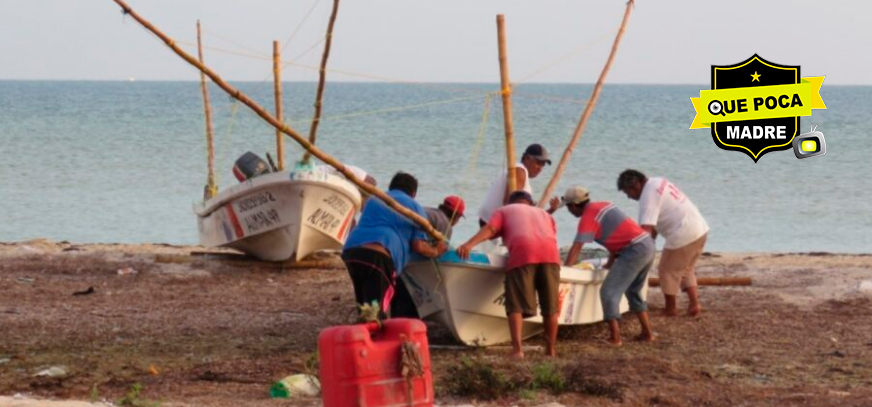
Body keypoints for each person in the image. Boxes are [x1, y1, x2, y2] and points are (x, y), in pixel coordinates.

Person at [457, 191, 561, 358]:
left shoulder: (504, 210)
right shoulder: (543, 213)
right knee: (550, 308)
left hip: (524, 253)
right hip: (551, 255)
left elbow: (491, 229)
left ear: (510, 202)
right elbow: (550, 235)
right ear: (530, 203)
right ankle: (550, 351)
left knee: (516, 306)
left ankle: (518, 350)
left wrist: (469, 244)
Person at [341, 172, 448, 319]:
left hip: (351, 251)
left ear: (391, 187)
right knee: (377, 311)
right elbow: (418, 246)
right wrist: (436, 250)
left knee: (365, 305)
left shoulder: (374, 199)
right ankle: (374, 337)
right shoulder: (415, 208)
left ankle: (363, 335)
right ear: (413, 193)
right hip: (379, 255)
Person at [558, 186, 655, 346]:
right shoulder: (604, 205)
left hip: (634, 250)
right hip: (648, 244)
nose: (570, 212)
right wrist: (610, 264)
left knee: (608, 292)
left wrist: (567, 271)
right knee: (633, 291)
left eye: (569, 208)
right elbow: (616, 236)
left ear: (574, 205)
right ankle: (647, 333)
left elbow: (577, 247)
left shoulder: (587, 218)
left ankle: (615, 338)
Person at [617, 169, 709, 317]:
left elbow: (645, 230)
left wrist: (634, 251)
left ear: (635, 186)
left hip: (683, 233)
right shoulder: (657, 182)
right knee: (685, 268)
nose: (629, 197)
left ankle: (670, 308)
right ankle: (694, 304)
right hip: (700, 229)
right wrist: (650, 243)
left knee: (667, 270)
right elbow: (653, 228)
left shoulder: (647, 197)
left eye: (628, 193)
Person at [477, 143, 552, 227]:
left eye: (543, 164)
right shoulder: (519, 171)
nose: (540, 168)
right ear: (526, 158)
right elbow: (510, 202)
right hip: (494, 225)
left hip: (491, 221)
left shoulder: (517, 170)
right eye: (538, 163)